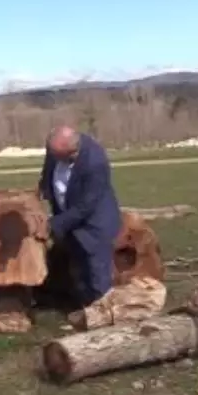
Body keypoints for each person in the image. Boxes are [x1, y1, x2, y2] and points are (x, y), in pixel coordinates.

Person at [37, 126, 122, 308]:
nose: (55, 159)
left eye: (60, 157)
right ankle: (84, 306)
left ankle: (104, 313)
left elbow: (86, 206)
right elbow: (48, 171)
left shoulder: (95, 162)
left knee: (97, 274)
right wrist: (43, 190)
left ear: (73, 151)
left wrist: (53, 225)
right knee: (77, 268)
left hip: (94, 224)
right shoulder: (56, 149)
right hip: (68, 217)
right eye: (54, 155)